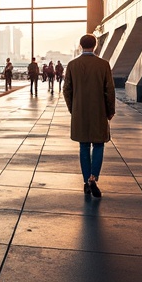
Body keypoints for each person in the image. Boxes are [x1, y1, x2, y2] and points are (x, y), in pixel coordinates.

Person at [63, 35, 115, 198]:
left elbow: (67, 90)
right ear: (95, 45)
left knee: (84, 146)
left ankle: (86, 180)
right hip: (99, 111)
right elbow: (110, 90)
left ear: (80, 45)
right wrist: (110, 110)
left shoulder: (72, 65)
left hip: (80, 112)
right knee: (98, 145)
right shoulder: (103, 64)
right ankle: (94, 177)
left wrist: (73, 108)